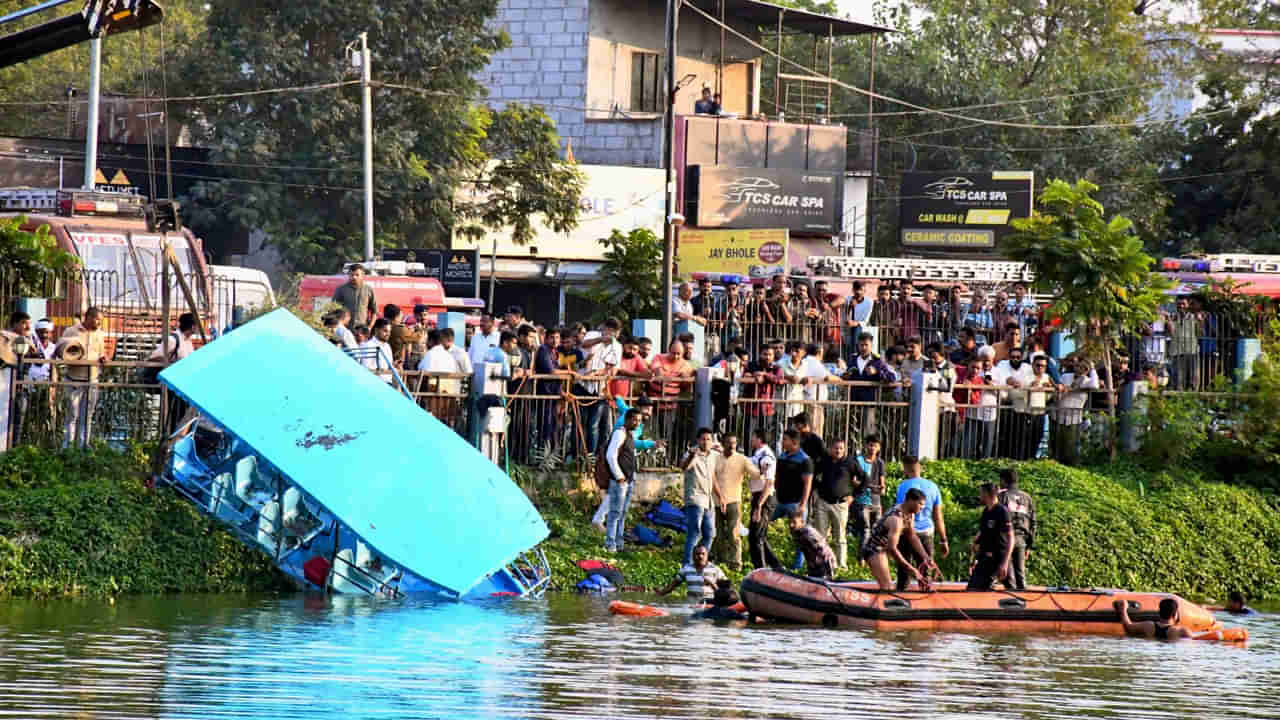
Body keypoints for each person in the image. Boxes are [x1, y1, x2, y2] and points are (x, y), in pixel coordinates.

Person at [861, 488, 932, 591]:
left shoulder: (910, 514)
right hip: (875, 550)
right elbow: (892, 549)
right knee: (887, 588)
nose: (922, 507)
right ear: (911, 501)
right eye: (920, 504)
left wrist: (926, 557)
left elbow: (912, 536)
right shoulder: (896, 520)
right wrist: (910, 568)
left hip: (884, 549)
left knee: (889, 587)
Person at [894, 456, 948, 591]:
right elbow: (938, 516)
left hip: (907, 533)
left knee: (904, 569)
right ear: (920, 468)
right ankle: (926, 597)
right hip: (926, 533)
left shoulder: (903, 486)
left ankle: (901, 599)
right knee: (926, 569)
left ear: (906, 469)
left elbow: (903, 511)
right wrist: (943, 539)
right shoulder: (933, 486)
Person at [57, 307, 108, 448]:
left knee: (88, 415)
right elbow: (60, 350)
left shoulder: (99, 334)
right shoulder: (71, 331)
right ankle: (67, 446)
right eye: (97, 319)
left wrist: (103, 357)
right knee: (72, 414)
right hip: (74, 379)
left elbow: (101, 353)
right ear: (88, 317)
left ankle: (83, 445)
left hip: (92, 380)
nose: (99, 323)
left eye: (101, 321)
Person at [712, 433, 759, 570]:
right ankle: (719, 561)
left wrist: (762, 471)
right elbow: (712, 478)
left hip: (734, 502)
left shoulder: (742, 459)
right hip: (716, 501)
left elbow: (755, 473)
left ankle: (735, 564)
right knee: (717, 534)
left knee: (734, 534)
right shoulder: (715, 458)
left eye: (734, 443)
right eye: (728, 442)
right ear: (722, 443)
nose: (732, 446)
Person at [811, 438, 860, 570]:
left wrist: (853, 496)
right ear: (830, 449)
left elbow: (864, 479)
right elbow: (813, 475)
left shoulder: (850, 462)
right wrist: (816, 490)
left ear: (844, 450)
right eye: (836, 448)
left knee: (840, 537)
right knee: (820, 537)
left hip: (841, 505)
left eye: (841, 448)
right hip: (822, 503)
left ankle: (841, 566)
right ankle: (821, 564)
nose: (838, 451)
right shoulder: (824, 461)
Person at [680, 427, 721, 566]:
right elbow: (684, 467)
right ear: (698, 440)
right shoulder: (692, 453)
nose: (706, 442)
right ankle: (687, 565)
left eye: (708, 439)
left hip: (708, 500)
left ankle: (700, 561)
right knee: (694, 533)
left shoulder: (713, 455)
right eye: (703, 439)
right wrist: (692, 455)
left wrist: (720, 496)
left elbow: (713, 476)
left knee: (710, 534)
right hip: (695, 499)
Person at [602, 409, 642, 553]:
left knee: (623, 513)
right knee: (615, 513)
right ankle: (610, 544)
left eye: (639, 420)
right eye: (635, 420)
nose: (637, 423)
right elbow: (610, 456)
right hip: (620, 481)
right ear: (627, 419)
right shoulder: (620, 433)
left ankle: (619, 543)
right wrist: (619, 476)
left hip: (629, 480)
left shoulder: (630, 435)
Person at [967, 483, 1015, 590]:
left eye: (981, 493)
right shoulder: (986, 511)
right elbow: (982, 535)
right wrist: (975, 558)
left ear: (988, 494)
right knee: (973, 588)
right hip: (986, 558)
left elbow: (1011, 538)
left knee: (1013, 589)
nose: (979, 496)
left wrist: (1005, 563)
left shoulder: (1002, 511)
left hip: (1001, 557)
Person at [997, 468, 1036, 590]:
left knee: (1008, 577)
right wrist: (1029, 546)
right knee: (1020, 575)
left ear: (1003, 480)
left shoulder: (1001, 496)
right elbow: (1033, 523)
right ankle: (1024, 603)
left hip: (1005, 540)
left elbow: (997, 519)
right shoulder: (1028, 498)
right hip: (1022, 540)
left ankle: (1014, 603)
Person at [747, 429, 778, 570]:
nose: (751, 440)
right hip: (758, 496)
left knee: (756, 536)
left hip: (764, 498)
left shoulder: (767, 456)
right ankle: (776, 566)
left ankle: (761, 569)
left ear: (759, 439)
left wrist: (759, 505)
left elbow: (769, 482)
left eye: (753, 437)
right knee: (759, 536)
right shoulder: (758, 455)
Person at [851, 434, 885, 550]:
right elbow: (854, 481)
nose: (872, 448)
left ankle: (874, 556)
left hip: (876, 501)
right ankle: (862, 558)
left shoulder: (880, 463)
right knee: (865, 530)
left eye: (875, 446)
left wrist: (881, 488)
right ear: (866, 446)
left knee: (877, 531)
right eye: (870, 445)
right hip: (862, 500)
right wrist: (867, 486)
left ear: (879, 448)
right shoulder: (858, 460)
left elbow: (882, 483)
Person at [658, 545, 727, 599]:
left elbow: (727, 589)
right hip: (691, 603)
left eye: (703, 554)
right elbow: (672, 586)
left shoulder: (715, 569)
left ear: (707, 555)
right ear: (693, 556)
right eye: (697, 554)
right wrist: (660, 593)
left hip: (709, 604)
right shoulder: (686, 569)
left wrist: (712, 584)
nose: (700, 556)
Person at [1113, 597, 1194, 642]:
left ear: (1159, 612)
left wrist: (1123, 610)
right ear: (1175, 614)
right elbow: (1197, 641)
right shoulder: (1181, 631)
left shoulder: (1148, 626)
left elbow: (1128, 627)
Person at [789, 508, 837, 580]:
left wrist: (830, 574)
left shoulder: (808, 534)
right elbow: (807, 553)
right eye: (789, 522)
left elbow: (824, 552)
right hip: (815, 565)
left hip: (826, 564)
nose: (791, 525)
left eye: (794, 522)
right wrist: (810, 570)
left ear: (802, 522)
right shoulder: (797, 533)